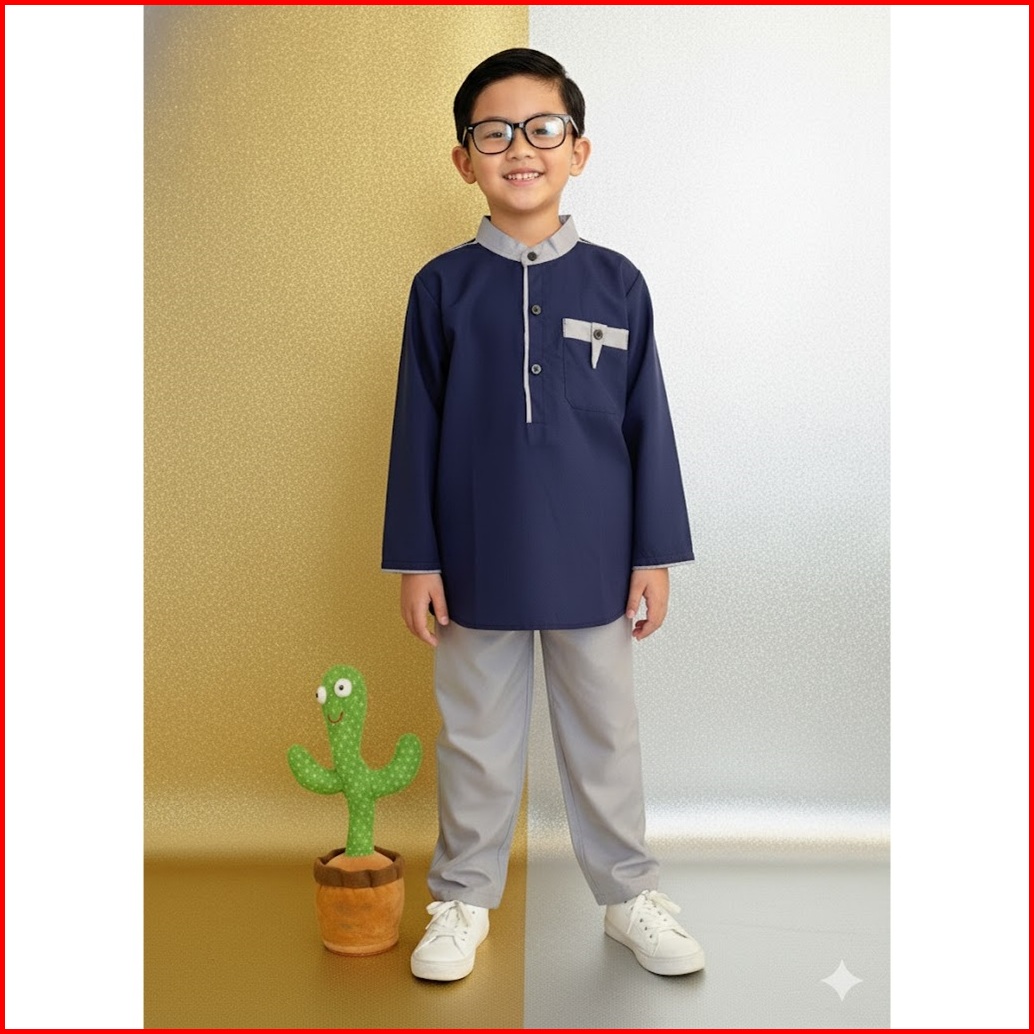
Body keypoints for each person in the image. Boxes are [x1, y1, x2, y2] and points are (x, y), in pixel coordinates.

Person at [382, 47, 704, 981]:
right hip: (474, 556)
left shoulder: (618, 284)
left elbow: (648, 424)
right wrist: (417, 558)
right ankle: (463, 900)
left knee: (606, 734)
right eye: (494, 133)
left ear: (578, 150)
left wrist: (653, 554)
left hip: (595, 558)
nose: (519, 148)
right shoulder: (441, 288)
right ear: (464, 160)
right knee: (476, 740)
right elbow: (415, 430)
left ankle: (628, 896)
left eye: (542, 128)